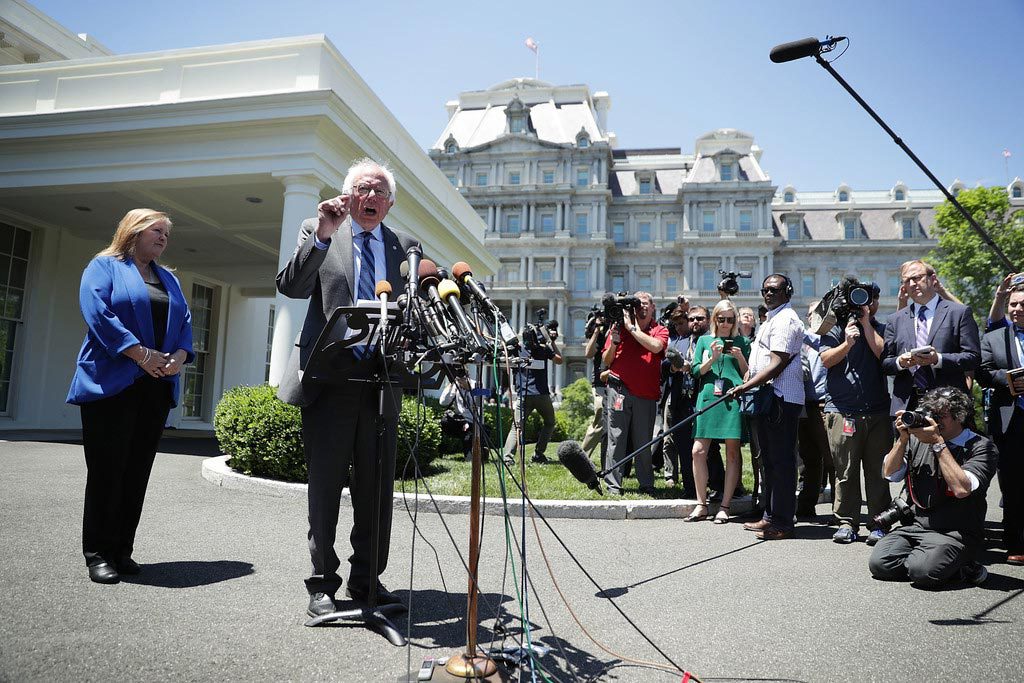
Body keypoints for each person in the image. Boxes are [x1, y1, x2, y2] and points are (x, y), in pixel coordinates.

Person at [276, 158, 420, 618]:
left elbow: (416, 308)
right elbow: (291, 286)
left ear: (390, 201)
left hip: (381, 382)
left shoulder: (406, 247)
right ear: (347, 196)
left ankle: (367, 580)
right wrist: (321, 232)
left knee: (377, 490)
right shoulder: (320, 230)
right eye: (363, 188)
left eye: (379, 190)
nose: (371, 196)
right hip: (330, 379)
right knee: (325, 486)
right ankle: (322, 584)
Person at [67, 209, 194, 584]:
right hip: (112, 385)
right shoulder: (104, 267)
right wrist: (140, 353)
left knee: (137, 472)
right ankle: (98, 554)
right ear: (133, 232)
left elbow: (185, 322)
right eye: (156, 231)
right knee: (108, 471)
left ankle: (122, 550)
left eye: (166, 234)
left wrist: (180, 356)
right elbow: (98, 313)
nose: (163, 239)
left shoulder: (168, 278)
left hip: (155, 386)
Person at [869, 388, 998, 588]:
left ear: (959, 417)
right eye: (930, 413)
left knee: (923, 572)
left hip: (956, 532)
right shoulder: (918, 439)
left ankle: (966, 566)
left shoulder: (981, 446)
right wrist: (903, 438)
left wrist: (938, 443)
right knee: (880, 564)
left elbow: (962, 489)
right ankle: (936, 562)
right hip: (916, 526)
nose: (933, 421)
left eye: (940, 416)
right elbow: (889, 473)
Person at [819, 285, 893, 545]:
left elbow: (884, 355)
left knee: (877, 471)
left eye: (869, 299)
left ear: (876, 302)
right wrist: (847, 343)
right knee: (845, 471)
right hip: (842, 410)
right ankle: (846, 522)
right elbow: (826, 360)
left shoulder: (882, 328)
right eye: (859, 299)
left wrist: (866, 324)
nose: (864, 304)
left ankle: (879, 522)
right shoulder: (837, 327)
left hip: (877, 411)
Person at [733, 274, 805, 540]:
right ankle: (769, 516)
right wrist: (748, 378)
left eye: (774, 289)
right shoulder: (772, 317)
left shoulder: (786, 320)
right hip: (768, 397)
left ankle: (783, 523)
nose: (768, 293)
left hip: (781, 398)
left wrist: (746, 385)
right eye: (765, 290)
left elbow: (779, 362)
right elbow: (762, 359)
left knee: (783, 462)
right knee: (770, 462)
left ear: (788, 291)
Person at [882, 260, 980, 415]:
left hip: (948, 404)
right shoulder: (895, 319)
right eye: (907, 280)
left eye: (917, 278)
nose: (913, 283)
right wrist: (900, 362)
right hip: (907, 405)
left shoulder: (958, 313)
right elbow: (886, 363)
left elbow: (973, 357)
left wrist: (938, 359)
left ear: (933, 279)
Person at [686, 300, 750, 523]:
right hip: (708, 396)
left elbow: (748, 375)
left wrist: (741, 358)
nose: (725, 323)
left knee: (732, 452)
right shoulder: (704, 340)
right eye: (721, 319)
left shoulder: (742, 341)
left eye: (730, 319)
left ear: (734, 321)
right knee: (698, 451)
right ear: (714, 319)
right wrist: (712, 359)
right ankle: (701, 503)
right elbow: (695, 371)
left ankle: (725, 505)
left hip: (732, 397)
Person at [601, 291, 669, 495]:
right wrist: (613, 342)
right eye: (638, 303)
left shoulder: (660, 330)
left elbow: (656, 347)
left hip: (646, 394)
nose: (642, 306)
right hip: (619, 388)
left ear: (653, 307)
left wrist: (632, 328)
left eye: (646, 303)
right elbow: (606, 360)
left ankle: (646, 483)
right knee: (616, 437)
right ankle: (613, 484)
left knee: (643, 441)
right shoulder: (618, 327)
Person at [977, 284, 1024, 565]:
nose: (1017, 309)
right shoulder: (994, 338)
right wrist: (1011, 379)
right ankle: (1015, 542)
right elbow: (983, 372)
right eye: (1013, 305)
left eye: (1022, 304)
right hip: (1010, 419)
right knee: (1014, 485)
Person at [503, 319, 562, 464]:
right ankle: (538, 454)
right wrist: (552, 342)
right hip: (541, 394)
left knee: (516, 427)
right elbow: (560, 360)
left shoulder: (517, 348)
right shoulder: (543, 349)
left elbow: (506, 365)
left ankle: (507, 458)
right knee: (549, 422)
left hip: (524, 394)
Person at [796, 309, 833, 521]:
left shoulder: (826, 339)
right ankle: (806, 506)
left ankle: (840, 509)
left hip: (823, 404)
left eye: (817, 312)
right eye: (810, 313)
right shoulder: (802, 341)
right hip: (804, 404)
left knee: (831, 459)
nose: (813, 316)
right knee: (809, 459)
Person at [580, 307, 609, 464]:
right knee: (600, 417)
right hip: (600, 382)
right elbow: (588, 353)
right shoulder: (598, 333)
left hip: (618, 380)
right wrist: (597, 331)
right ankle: (582, 456)